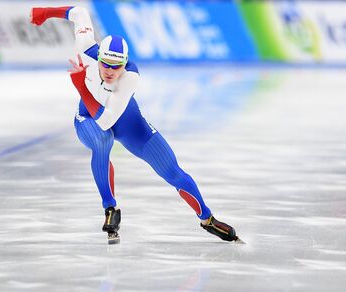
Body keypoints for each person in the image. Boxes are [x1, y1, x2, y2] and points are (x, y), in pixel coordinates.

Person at [30, 6, 240, 244]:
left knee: (171, 169)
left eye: (116, 66)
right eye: (105, 64)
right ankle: (110, 208)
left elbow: (108, 119)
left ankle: (207, 219)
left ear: (125, 64)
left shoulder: (131, 75)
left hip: (125, 118)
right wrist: (45, 12)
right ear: (98, 57)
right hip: (87, 117)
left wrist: (80, 87)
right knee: (102, 140)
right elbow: (78, 12)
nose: (110, 71)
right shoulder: (86, 48)